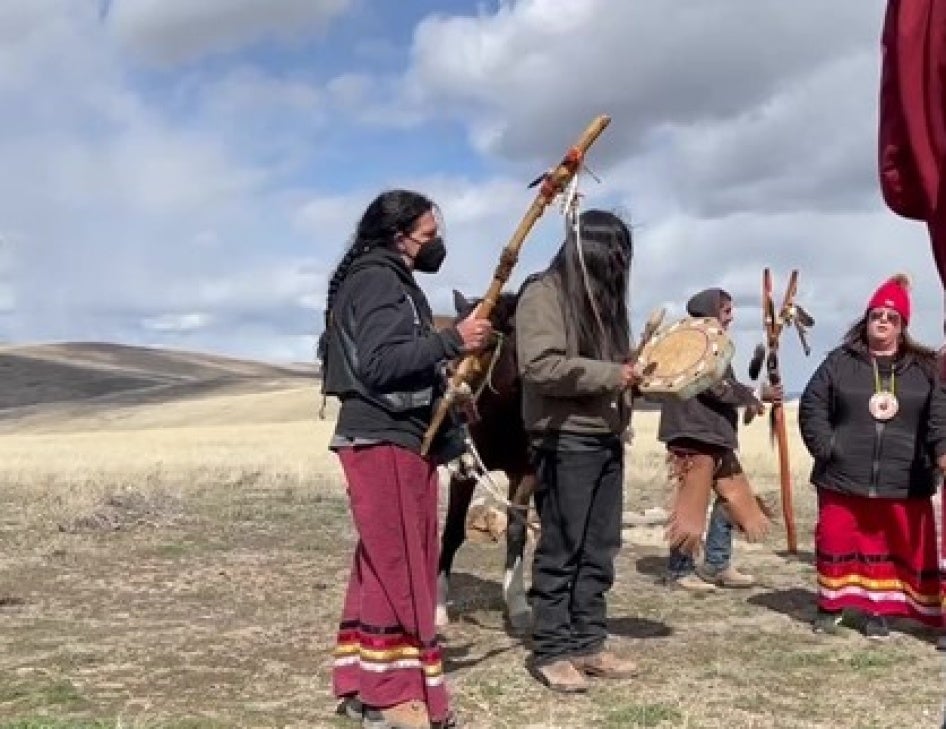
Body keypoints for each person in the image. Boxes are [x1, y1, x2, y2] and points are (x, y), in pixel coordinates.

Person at [319, 189, 491, 729]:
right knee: (401, 569)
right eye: (429, 235)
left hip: (395, 440)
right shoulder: (377, 279)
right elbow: (379, 363)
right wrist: (452, 340)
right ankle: (393, 698)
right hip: (384, 440)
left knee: (381, 562)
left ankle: (363, 680)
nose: (437, 244)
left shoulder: (387, 279)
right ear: (400, 237)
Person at [515, 209, 640, 694]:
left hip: (604, 438)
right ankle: (552, 649)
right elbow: (542, 366)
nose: (622, 264)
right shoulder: (543, 295)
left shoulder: (599, 304)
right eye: (616, 254)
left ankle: (588, 642)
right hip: (565, 439)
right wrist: (614, 375)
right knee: (562, 548)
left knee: (600, 547)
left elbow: (607, 369)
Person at [799, 273, 946, 640]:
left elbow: (938, 414)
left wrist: (934, 456)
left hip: (903, 479)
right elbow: (812, 404)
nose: (882, 321)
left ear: (903, 327)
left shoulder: (924, 369)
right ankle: (829, 606)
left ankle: (877, 611)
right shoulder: (840, 361)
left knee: (886, 547)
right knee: (836, 539)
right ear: (865, 321)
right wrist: (827, 447)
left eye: (891, 318)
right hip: (843, 474)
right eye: (876, 315)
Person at [659, 288, 778, 591]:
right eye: (726, 311)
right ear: (711, 312)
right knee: (691, 507)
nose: (731, 317)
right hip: (693, 436)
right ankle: (679, 570)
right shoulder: (694, 343)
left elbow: (725, 385)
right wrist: (755, 394)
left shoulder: (714, 344)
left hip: (714, 437)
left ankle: (716, 563)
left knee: (735, 499)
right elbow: (715, 386)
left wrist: (751, 394)